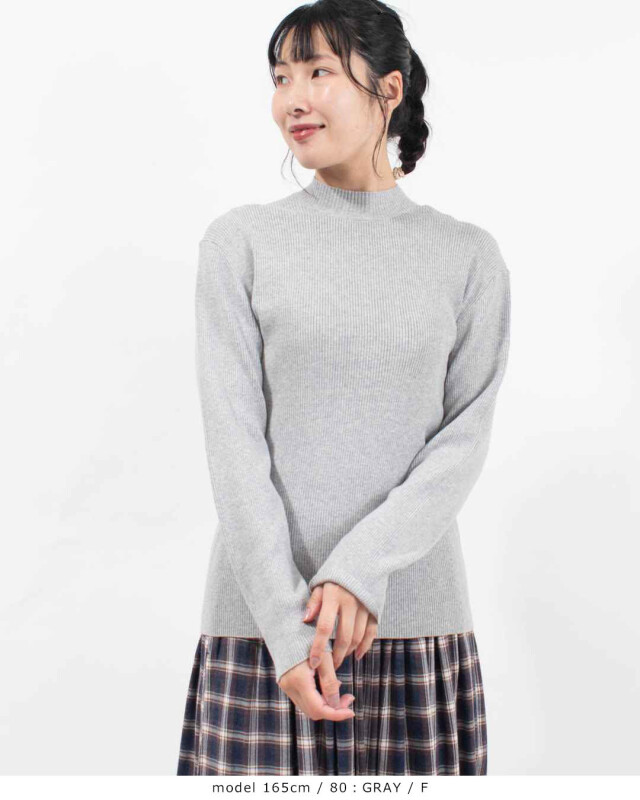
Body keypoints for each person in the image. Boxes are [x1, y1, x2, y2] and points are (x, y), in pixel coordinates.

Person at [177, 0, 511, 776]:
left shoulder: (467, 257)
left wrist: (359, 570)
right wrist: (288, 627)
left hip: (414, 626)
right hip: (267, 636)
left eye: (319, 72)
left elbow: (463, 442)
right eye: (280, 78)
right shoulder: (240, 243)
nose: (293, 99)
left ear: (388, 90)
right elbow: (234, 446)